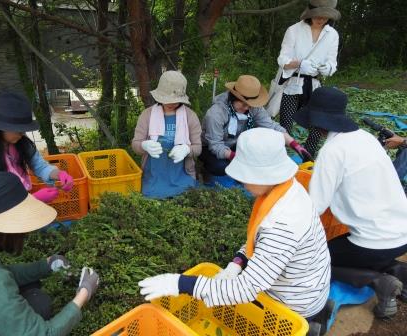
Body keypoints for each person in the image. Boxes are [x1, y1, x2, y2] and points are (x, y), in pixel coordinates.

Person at [139, 128, 331, 326]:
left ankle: (311, 325)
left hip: (296, 304)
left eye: (244, 177)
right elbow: (259, 238)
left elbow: (244, 290)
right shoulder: (289, 188)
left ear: (262, 176)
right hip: (309, 283)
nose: (242, 183)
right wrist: (238, 262)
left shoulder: (283, 224)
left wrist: (180, 283)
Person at [294, 87, 407, 319]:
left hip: (374, 241)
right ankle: (399, 270)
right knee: (350, 247)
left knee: (314, 260)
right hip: (402, 233)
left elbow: (314, 208)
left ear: (317, 122)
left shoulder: (331, 152)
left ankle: (379, 281)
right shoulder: (365, 138)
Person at [0, 172, 99, 335]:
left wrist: (45, 265)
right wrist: (83, 295)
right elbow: (42, 333)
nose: (24, 235)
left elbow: (0, 273)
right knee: (40, 304)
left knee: (37, 300)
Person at [0, 92, 74, 203]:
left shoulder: (20, 142)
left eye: (23, 129)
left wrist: (59, 174)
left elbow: (41, 167)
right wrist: (33, 200)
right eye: (18, 129)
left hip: (13, 201)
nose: (22, 134)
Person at [200, 74, 311, 177]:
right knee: (221, 167)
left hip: (235, 143)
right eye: (243, 104)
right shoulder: (216, 113)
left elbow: (271, 126)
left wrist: (295, 145)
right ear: (233, 98)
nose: (247, 108)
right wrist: (236, 158)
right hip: (210, 147)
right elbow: (215, 145)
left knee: (259, 156)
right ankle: (206, 169)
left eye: (250, 105)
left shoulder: (253, 107)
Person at [277, 0, 340, 157]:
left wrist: (328, 68)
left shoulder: (332, 34)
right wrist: (298, 64)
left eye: (325, 16)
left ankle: (309, 155)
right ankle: (281, 155)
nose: (321, 19)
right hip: (293, 84)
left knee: (318, 124)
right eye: (318, 15)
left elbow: (333, 62)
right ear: (310, 13)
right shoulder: (294, 30)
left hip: (315, 85)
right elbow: (282, 59)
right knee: (286, 122)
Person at [131, 71, 202, 198]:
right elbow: (135, 145)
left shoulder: (190, 116)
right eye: (167, 99)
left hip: (181, 175)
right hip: (153, 176)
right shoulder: (147, 115)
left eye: (175, 100)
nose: (171, 103)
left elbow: (198, 147)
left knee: (185, 197)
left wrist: (187, 149)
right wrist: (144, 145)